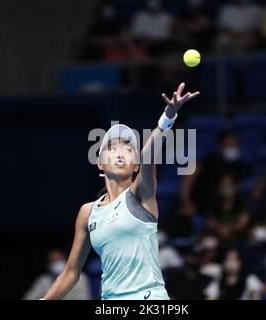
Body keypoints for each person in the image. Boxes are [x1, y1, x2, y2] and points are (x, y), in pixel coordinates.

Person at [41, 82, 199, 300]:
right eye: (112, 148)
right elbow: (70, 272)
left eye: (127, 148)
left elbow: (148, 156)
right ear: (100, 163)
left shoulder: (141, 195)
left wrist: (166, 119)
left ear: (135, 165)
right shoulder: (88, 212)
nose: (120, 153)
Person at [23, 249, 91, 300]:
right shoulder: (43, 280)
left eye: (59, 260)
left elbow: (84, 298)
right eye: (54, 261)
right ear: (47, 265)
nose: (58, 264)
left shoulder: (80, 277)